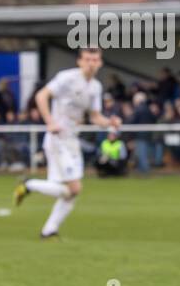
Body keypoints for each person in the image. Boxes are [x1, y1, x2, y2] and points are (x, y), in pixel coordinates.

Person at [13, 46, 121, 238]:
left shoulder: (95, 87)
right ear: (79, 61)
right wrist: (50, 122)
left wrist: (109, 122)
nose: (91, 64)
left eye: (95, 60)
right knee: (74, 188)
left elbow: (95, 117)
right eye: (87, 59)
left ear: (100, 63)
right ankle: (29, 185)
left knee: (70, 192)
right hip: (57, 139)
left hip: (71, 140)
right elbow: (41, 95)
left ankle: (49, 231)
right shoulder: (67, 78)